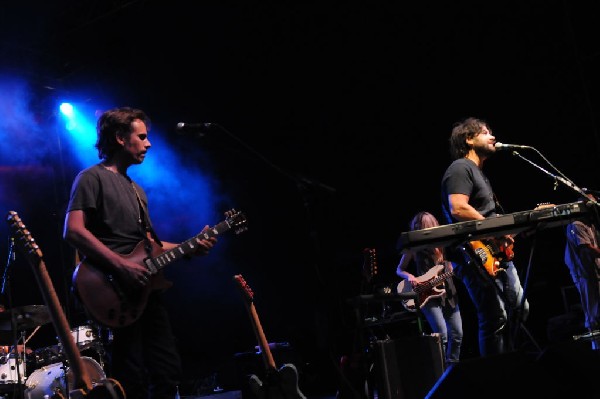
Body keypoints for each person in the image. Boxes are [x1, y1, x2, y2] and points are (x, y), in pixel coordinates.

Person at [63, 106, 217, 399]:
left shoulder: (137, 190)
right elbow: (73, 231)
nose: (148, 144)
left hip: (146, 291)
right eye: (142, 136)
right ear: (120, 138)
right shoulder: (91, 178)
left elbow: (150, 246)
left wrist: (190, 246)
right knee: (129, 375)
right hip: (114, 289)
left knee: (168, 370)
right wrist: (122, 266)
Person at [440, 116, 529, 357]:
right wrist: (492, 230)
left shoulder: (481, 175)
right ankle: (495, 377)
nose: (493, 136)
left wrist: (504, 235)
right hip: (473, 253)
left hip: (494, 253)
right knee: (495, 315)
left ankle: (511, 362)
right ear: (469, 139)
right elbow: (457, 208)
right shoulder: (460, 168)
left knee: (520, 307)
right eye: (485, 132)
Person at [396, 211, 463, 365]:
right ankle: (440, 371)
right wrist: (410, 277)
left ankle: (452, 367)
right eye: (420, 227)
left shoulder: (444, 244)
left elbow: (455, 264)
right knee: (442, 336)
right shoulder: (414, 247)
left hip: (449, 293)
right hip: (426, 295)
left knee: (457, 334)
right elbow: (399, 269)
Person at [564, 190, 600, 334]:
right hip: (584, 274)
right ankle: (595, 346)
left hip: (593, 272)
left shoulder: (590, 224)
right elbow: (586, 249)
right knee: (593, 312)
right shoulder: (576, 224)